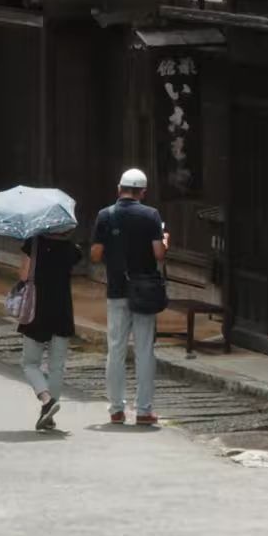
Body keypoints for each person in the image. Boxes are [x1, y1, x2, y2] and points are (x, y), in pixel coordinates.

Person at [93, 168, 170, 428]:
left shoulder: (105, 215)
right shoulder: (151, 215)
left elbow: (94, 254)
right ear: (143, 192)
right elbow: (159, 254)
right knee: (145, 349)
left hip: (117, 288)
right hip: (145, 291)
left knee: (115, 348)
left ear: (119, 188)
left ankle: (116, 409)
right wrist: (165, 241)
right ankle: (144, 410)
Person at [16, 223, 80, 431]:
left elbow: (24, 276)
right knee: (56, 366)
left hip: (37, 309)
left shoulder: (34, 244)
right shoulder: (72, 249)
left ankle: (46, 400)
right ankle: (49, 415)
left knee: (30, 363)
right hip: (62, 309)